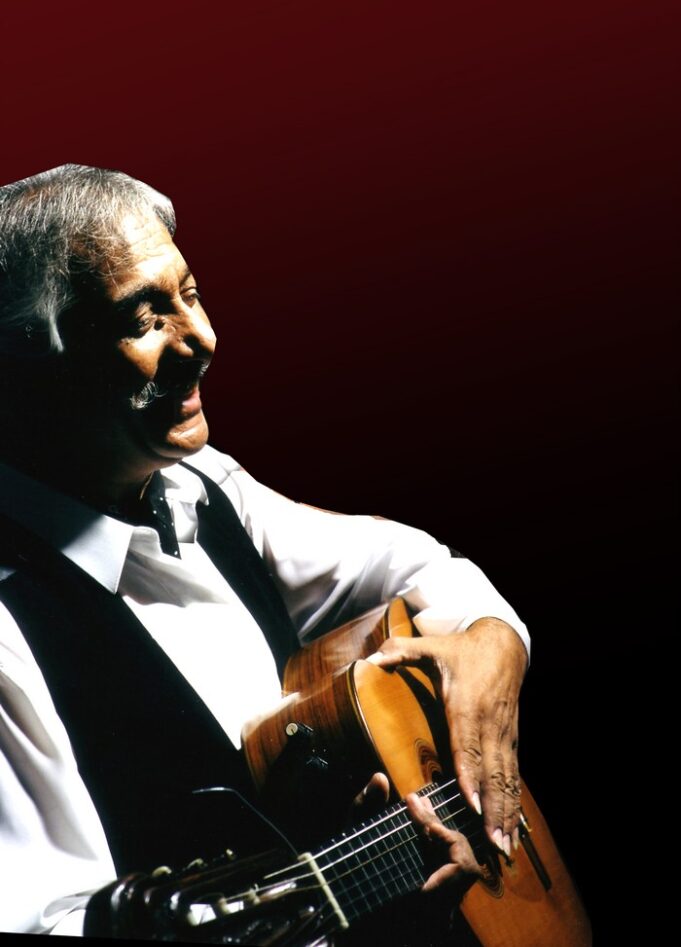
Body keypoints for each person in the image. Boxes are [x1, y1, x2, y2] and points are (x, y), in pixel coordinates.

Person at [0, 165, 529, 938]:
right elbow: (47, 921)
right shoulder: (10, 632)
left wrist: (491, 643)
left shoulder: (202, 484)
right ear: (33, 367)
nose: (202, 340)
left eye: (190, 293)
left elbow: (425, 570)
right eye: (144, 318)